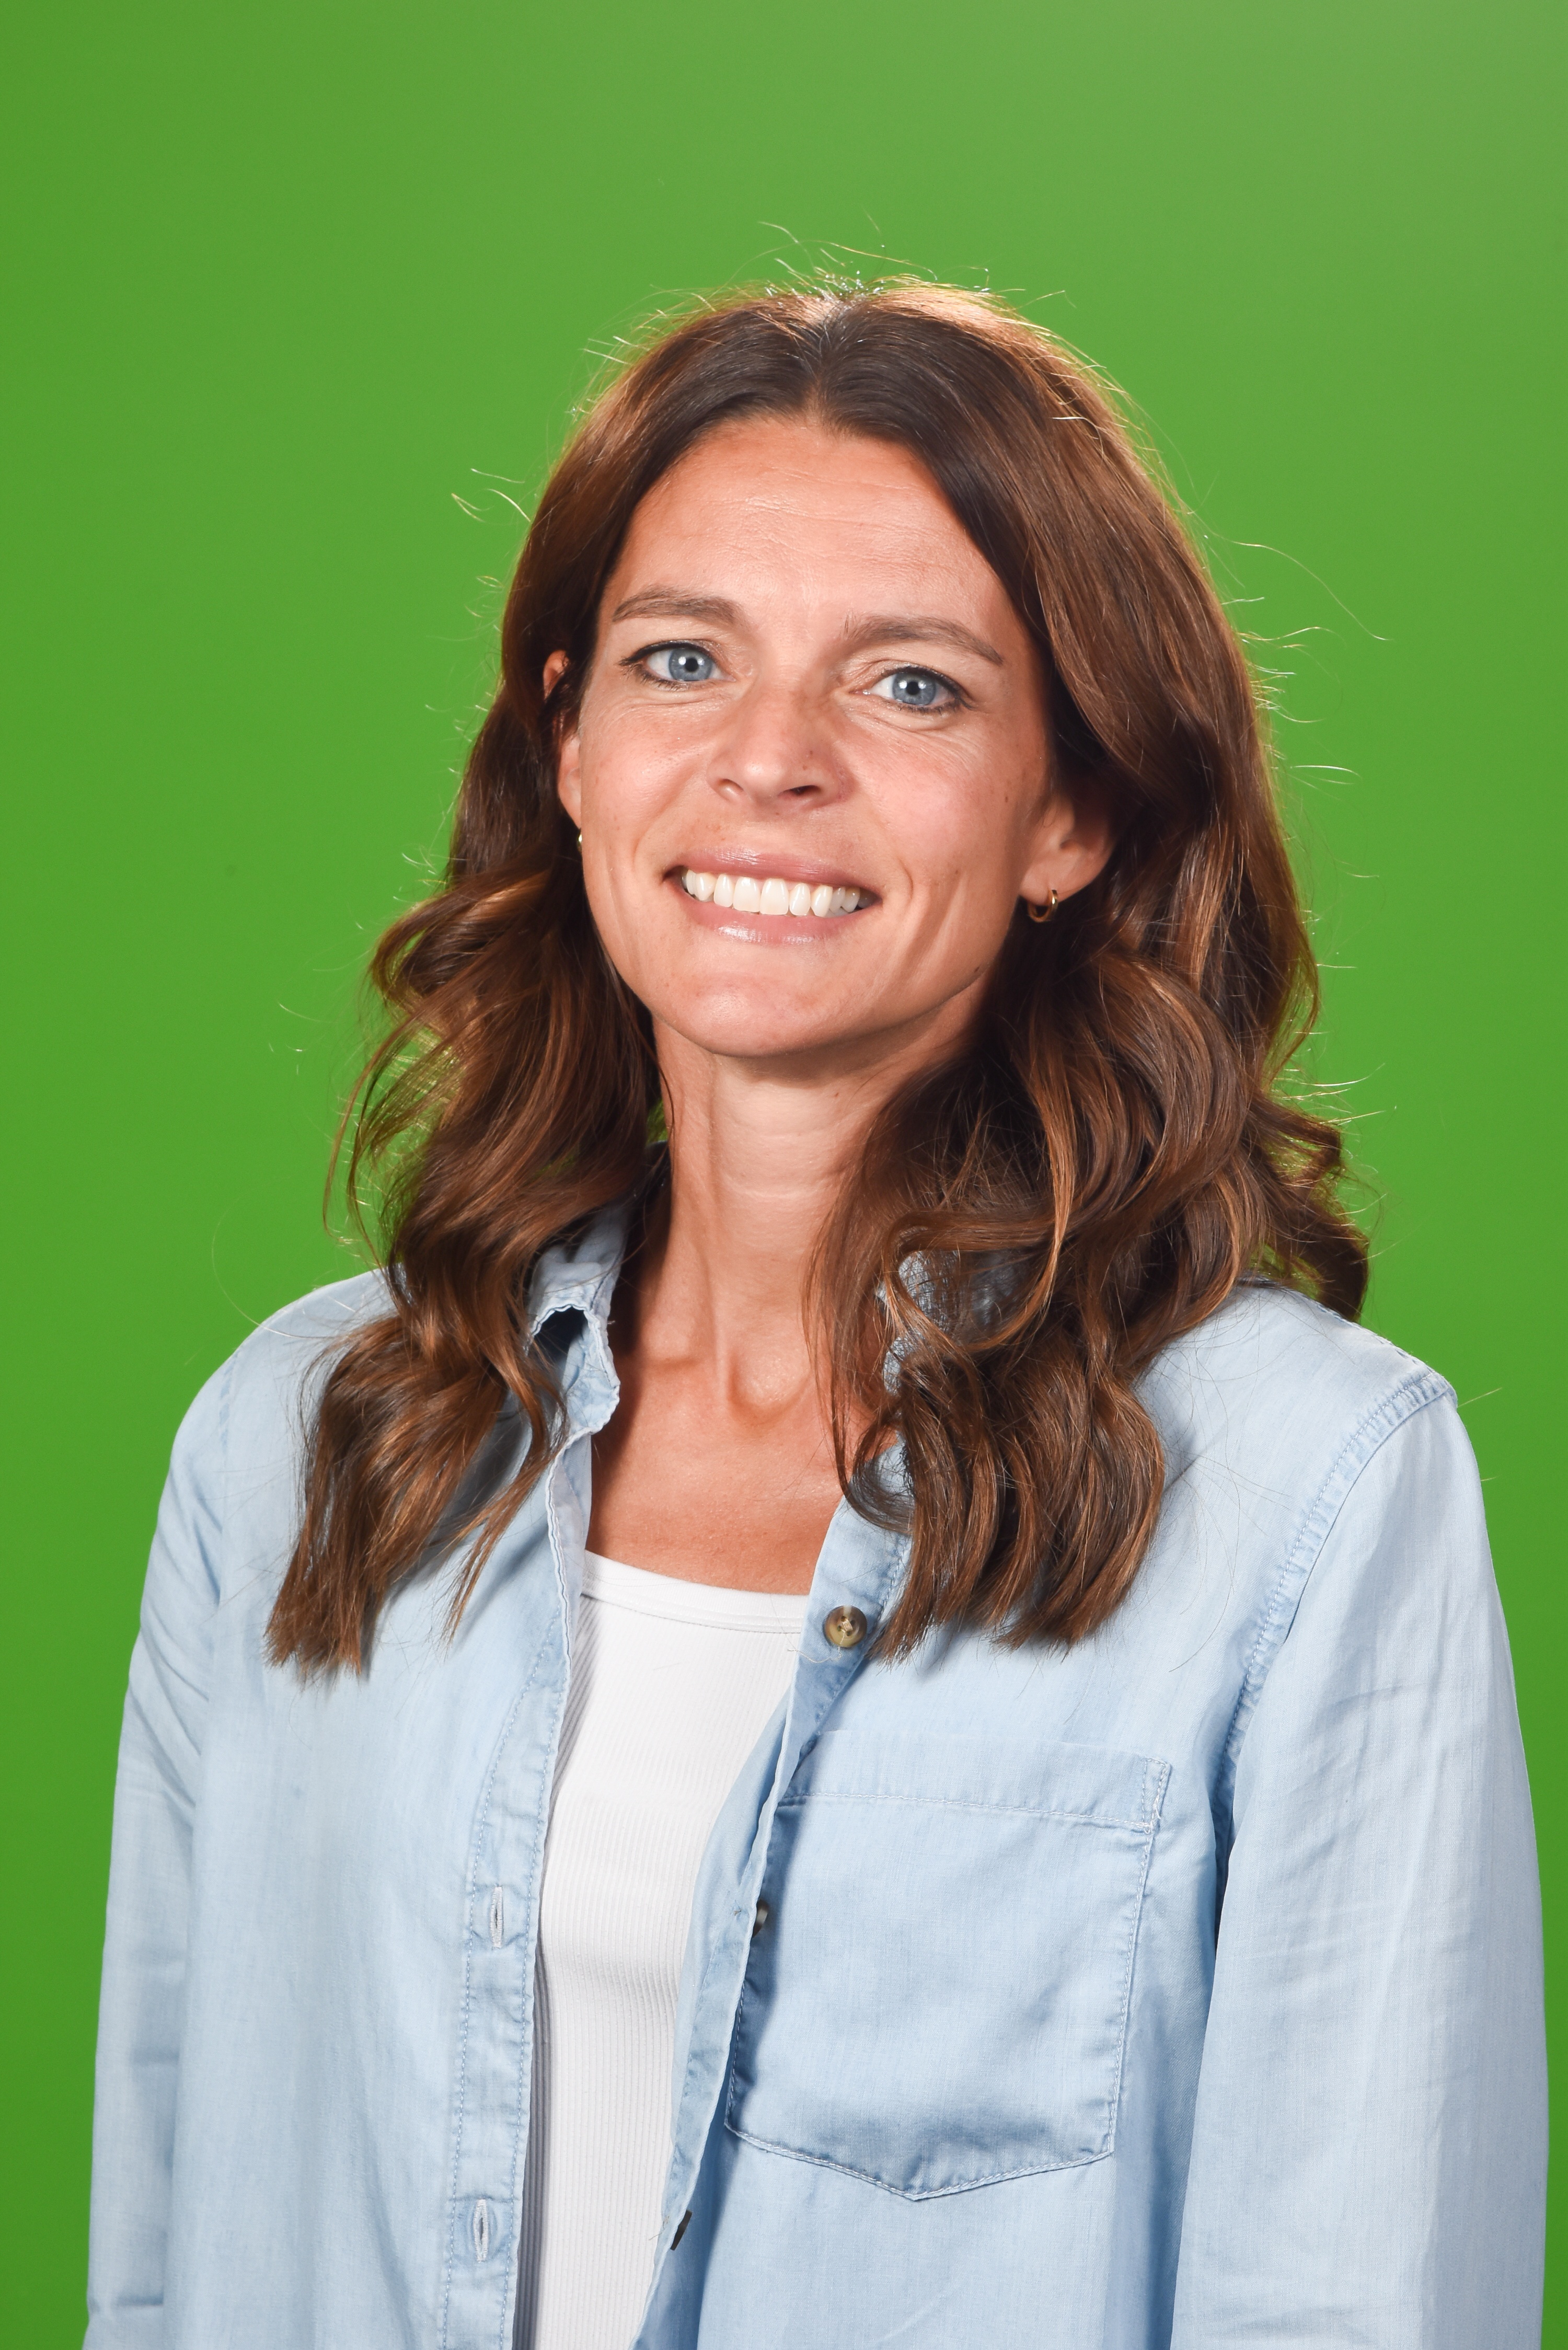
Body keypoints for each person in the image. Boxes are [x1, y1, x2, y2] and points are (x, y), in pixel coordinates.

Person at [86, 281, 1544, 2350]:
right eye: (684, 660)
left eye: (913, 686)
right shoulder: (300, 1439)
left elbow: (1356, 2300)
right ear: (571, 741)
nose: (769, 760)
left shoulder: (1311, 1496)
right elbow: (169, 2255)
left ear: (1071, 811)